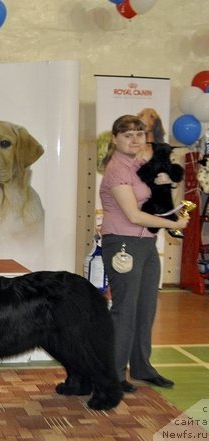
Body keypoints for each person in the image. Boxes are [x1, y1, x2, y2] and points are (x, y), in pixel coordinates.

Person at [99, 114, 189, 394]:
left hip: (147, 244)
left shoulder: (141, 165)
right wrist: (174, 224)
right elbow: (135, 215)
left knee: (146, 308)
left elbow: (157, 204)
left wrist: (169, 185)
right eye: (128, 135)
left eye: (139, 133)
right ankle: (113, 374)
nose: (135, 139)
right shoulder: (117, 170)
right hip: (124, 243)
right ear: (115, 139)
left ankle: (142, 367)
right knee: (125, 311)